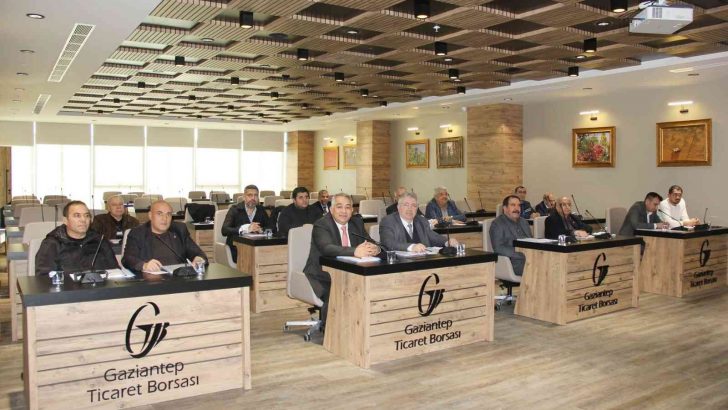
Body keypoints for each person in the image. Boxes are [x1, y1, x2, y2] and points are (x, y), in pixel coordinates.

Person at [303, 193, 380, 330]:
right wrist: (354, 251)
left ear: (352, 210)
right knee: (336, 293)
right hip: (322, 275)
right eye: (339, 207)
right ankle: (332, 332)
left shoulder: (356, 223)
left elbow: (371, 242)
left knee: (370, 290)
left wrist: (375, 248)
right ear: (331, 209)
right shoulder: (322, 224)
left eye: (348, 207)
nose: (344, 211)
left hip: (351, 274)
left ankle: (360, 328)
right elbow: (327, 248)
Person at [35, 201, 118, 275]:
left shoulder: (100, 240)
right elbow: (43, 278)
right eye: (77, 216)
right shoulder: (52, 243)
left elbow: (115, 270)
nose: (83, 220)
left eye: (87, 216)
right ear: (65, 220)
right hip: (66, 287)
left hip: (100, 286)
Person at [122, 200, 207, 273]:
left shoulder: (179, 230)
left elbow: (198, 253)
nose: (165, 218)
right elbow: (127, 259)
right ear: (150, 216)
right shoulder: (138, 233)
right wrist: (144, 265)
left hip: (178, 278)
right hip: (151, 280)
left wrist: (198, 259)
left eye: (168, 214)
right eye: (159, 214)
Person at [380, 192, 457, 251]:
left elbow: (433, 236)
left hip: (422, 261)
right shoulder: (388, 221)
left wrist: (447, 241)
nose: (410, 208)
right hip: (399, 264)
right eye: (406, 205)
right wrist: (411, 247)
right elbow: (388, 242)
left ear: (417, 208)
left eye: (413, 205)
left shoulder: (421, 220)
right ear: (398, 207)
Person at [222, 184, 270, 262]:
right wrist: (244, 229)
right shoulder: (235, 210)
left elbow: (271, 227)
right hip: (237, 250)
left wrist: (262, 230)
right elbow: (224, 230)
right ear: (244, 197)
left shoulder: (261, 210)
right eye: (250, 195)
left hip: (257, 249)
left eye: (255, 195)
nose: (253, 198)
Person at [489, 195, 532, 276]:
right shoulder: (497, 224)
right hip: (513, 263)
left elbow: (531, 241)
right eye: (513, 205)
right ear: (505, 208)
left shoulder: (524, 222)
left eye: (518, 205)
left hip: (530, 259)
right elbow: (498, 248)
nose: (517, 208)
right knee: (541, 270)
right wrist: (522, 254)